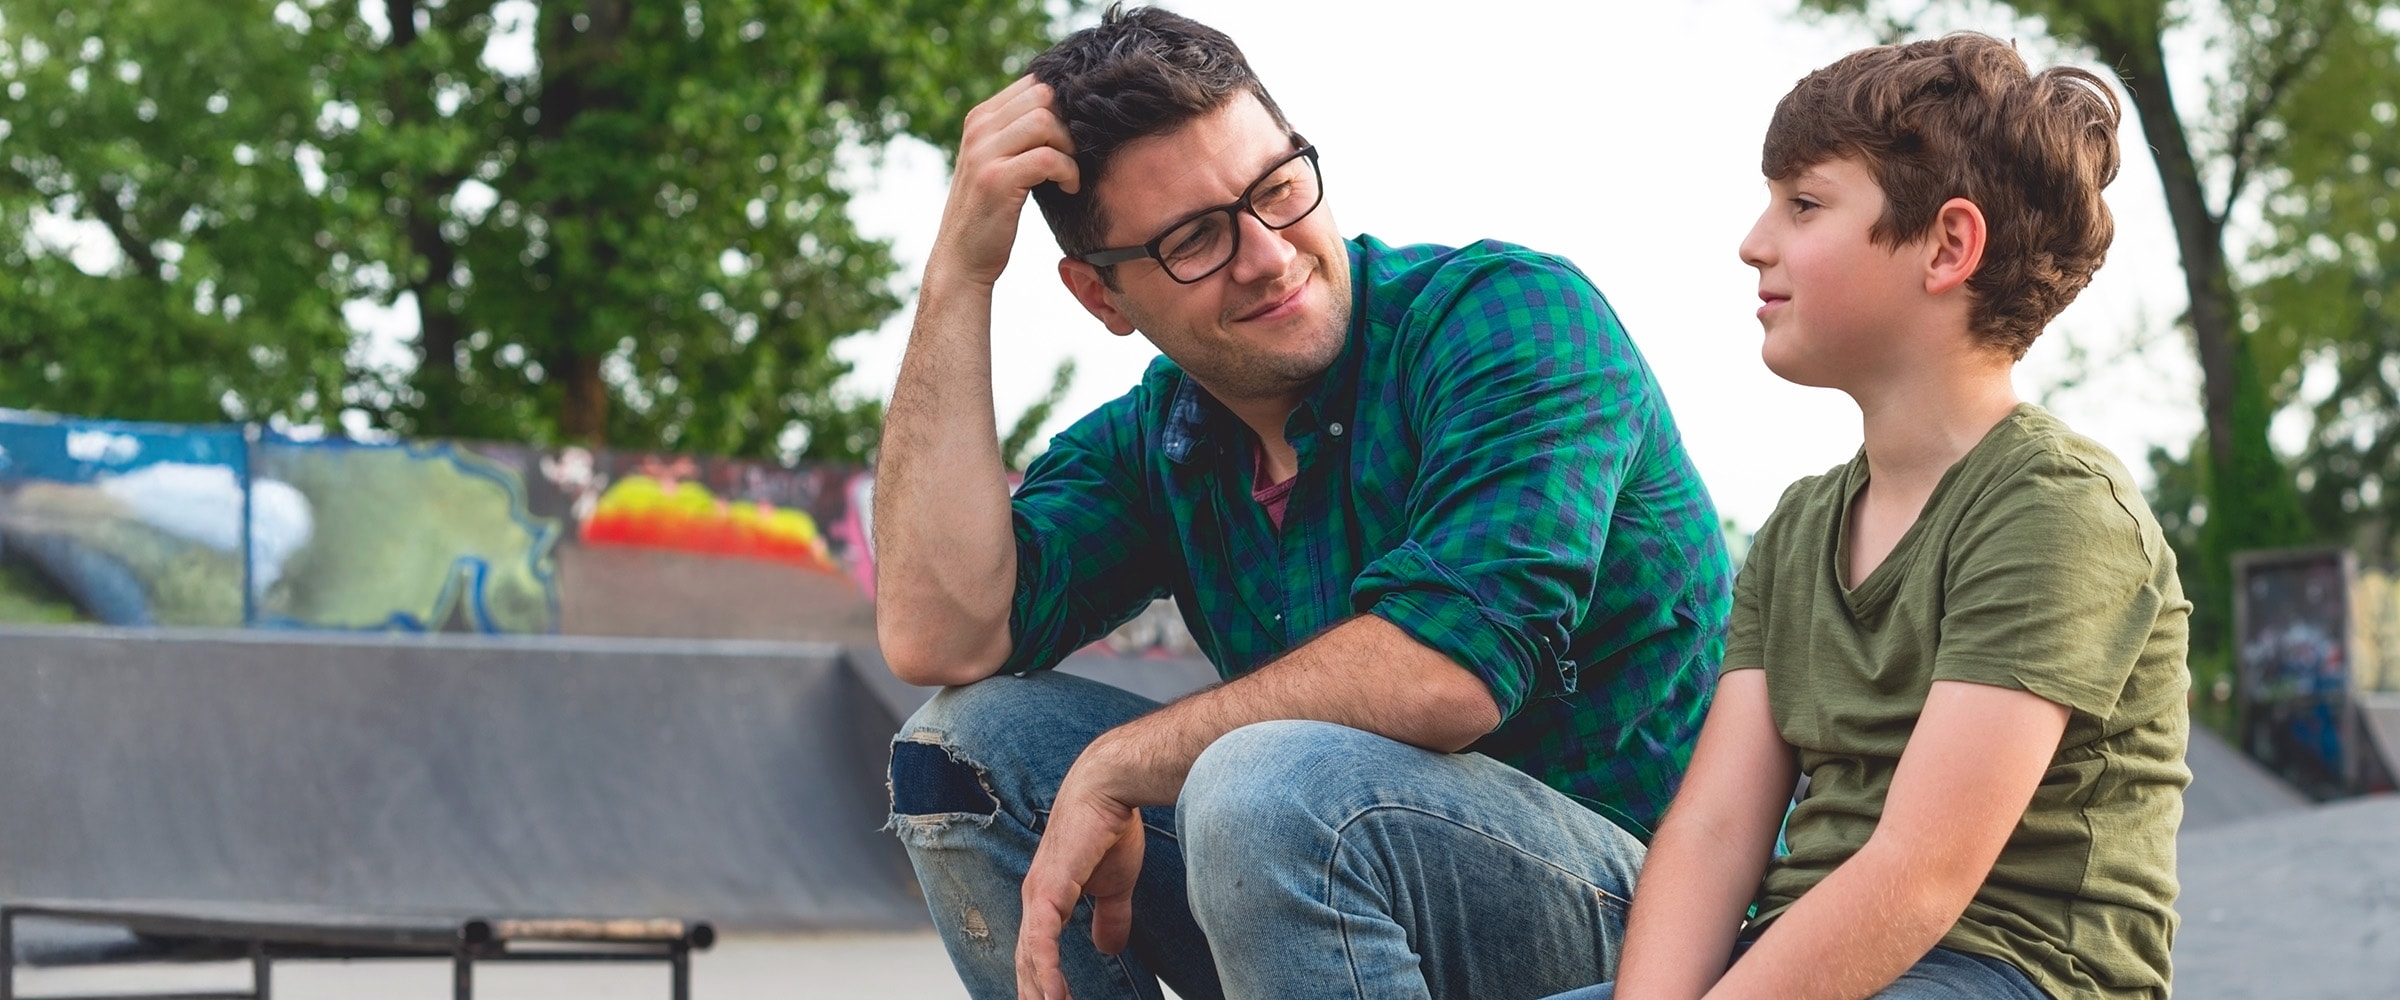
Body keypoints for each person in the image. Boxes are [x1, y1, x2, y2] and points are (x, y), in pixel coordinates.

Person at [872, 5, 1729, 999]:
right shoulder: (1157, 444)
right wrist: (959, 274)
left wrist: (1122, 762)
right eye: (1196, 239)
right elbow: (940, 638)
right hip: (1326, 877)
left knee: (1265, 782)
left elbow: (1446, 671)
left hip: (1655, 919)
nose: (1270, 254)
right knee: (967, 748)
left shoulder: (1507, 318)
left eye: (1278, 188)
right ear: (1103, 299)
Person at [1545, 33, 2190, 1000]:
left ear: (1948, 246)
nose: (1754, 242)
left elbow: (1918, 876)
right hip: (1796, 960)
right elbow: (1717, 828)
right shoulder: (1801, 527)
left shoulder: (2055, 511)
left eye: (1803, 204)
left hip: (2007, 972)